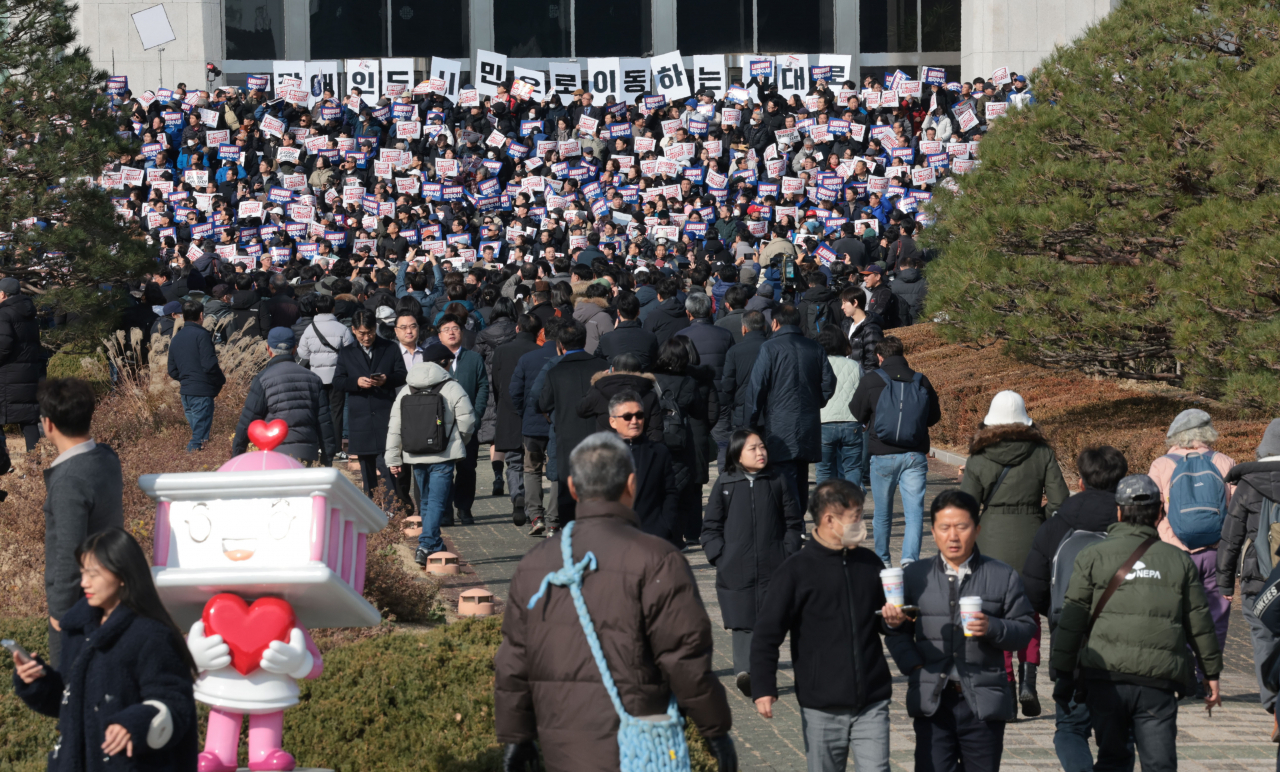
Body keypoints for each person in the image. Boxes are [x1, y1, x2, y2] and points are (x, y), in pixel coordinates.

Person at [494, 432, 737, 772]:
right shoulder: (658, 559)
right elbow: (684, 657)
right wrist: (715, 730)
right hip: (639, 741)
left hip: (561, 743)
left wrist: (516, 737)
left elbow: (512, 662)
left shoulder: (536, 564)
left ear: (573, 488)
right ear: (632, 484)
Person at [1050, 474, 1223, 772]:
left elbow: (1072, 619)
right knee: (1160, 763)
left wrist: (1064, 673)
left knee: (1113, 759)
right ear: (1160, 512)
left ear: (1118, 511)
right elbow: (1199, 622)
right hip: (1158, 683)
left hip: (1105, 679)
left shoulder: (1091, 556)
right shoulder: (1178, 561)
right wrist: (1211, 673)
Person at [13, 528, 199, 770]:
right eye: (82, 573)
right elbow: (71, 702)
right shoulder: (77, 629)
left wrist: (135, 723)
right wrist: (37, 681)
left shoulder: (152, 635)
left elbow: (176, 703)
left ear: (122, 574)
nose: (84, 582)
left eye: (93, 574)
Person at [884, 490, 1037, 772]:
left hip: (984, 702)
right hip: (933, 699)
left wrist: (993, 627)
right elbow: (896, 633)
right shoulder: (916, 576)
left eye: (962, 527)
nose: (953, 536)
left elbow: (1026, 629)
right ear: (933, 531)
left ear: (977, 529)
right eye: (944, 527)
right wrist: (913, 664)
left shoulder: (1002, 575)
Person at [751, 479, 894, 772]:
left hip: (872, 698)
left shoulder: (870, 563)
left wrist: (897, 621)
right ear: (830, 519)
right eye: (856, 517)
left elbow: (887, 623)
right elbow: (767, 634)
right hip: (821, 704)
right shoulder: (796, 571)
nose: (861, 524)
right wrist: (763, 687)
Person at [959, 389, 1069, 715]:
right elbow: (1061, 502)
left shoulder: (979, 458)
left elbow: (965, 507)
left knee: (998, 614)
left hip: (990, 539)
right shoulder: (1041, 453)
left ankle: (1006, 686)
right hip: (1033, 540)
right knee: (1030, 611)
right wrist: (1042, 523)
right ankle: (1028, 679)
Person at [1021, 445, 1130, 772]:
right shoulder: (1132, 526)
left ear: (1080, 481)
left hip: (1072, 640)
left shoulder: (1056, 525)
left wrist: (1057, 612)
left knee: (1070, 727)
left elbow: (1033, 586)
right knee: (1119, 735)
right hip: (1124, 645)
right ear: (1121, 481)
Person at [701, 428, 802, 697]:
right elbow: (710, 527)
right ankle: (745, 673)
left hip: (773, 564)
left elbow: (794, 523)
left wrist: (788, 553)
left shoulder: (778, 480)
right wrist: (720, 555)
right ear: (737, 455)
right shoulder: (725, 484)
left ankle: (760, 673)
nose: (760, 452)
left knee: (769, 623)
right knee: (742, 621)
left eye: (762, 447)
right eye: (752, 449)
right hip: (736, 566)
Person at [37, 378, 125, 667]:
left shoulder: (68, 481)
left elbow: (68, 553)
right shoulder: (106, 458)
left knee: (73, 686)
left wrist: (61, 612)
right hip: (109, 588)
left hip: (79, 603)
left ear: (48, 424)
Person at [1147, 408, 1235, 676]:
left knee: (1174, 612)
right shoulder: (1225, 462)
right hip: (1215, 553)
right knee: (1216, 615)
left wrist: (1166, 536)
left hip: (1173, 552)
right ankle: (1206, 675)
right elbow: (1235, 512)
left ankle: (1181, 671)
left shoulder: (1161, 465)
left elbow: (1152, 511)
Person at [850, 336, 941, 566]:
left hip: (882, 454)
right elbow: (933, 417)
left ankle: (883, 561)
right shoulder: (921, 381)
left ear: (880, 356)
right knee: (914, 514)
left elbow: (856, 412)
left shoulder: (872, 380)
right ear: (902, 353)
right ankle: (910, 562)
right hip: (914, 455)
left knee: (882, 514)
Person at [385, 343, 476, 566]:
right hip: (443, 455)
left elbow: (395, 427)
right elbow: (468, 421)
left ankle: (433, 543)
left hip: (415, 454)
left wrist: (393, 459)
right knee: (436, 500)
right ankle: (426, 544)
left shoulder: (407, 389)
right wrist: (455, 443)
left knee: (425, 500)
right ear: (446, 363)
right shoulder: (452, 387)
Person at [744, 304, 837, 512]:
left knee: (784, 474)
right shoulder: (815, 348)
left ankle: (792, 523)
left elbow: (757, 388)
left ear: (775, 323)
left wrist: (749, 423)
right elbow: (829, 383)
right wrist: (816, 402)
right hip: (807, 420)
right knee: (800, 473)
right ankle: (798, 520)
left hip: (779, 422)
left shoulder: (769, 348)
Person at [1217, 418, 1280, 719]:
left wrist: (1225, 583)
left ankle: (1271, 702)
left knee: (1263, 635)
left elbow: (1231, 538)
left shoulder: (1247, 484)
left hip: (1259, 577)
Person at [536, 319, 609, 530]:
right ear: (584, 340)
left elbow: (542, 402)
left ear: (561, 345)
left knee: (568, 491)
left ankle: (570, 535)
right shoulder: (602, 366)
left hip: (567, 436)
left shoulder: (555, 371)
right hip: (599, 434)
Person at [333, 309, 408, 505]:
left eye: (371, 332)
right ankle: (371, 507)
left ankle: (393, 508)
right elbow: (338, 382)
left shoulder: (390, 348)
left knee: (388, 464)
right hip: (361, 418)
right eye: (362, 333)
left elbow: (402, 374)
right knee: (367, 469)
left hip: (384, 413)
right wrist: (356, 382)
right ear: (353, 330)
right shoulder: (347, 353)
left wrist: (386, 379)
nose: (367, 337)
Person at [232, 327, 338, 464]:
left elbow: (247, 421)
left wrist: (236, 456)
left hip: (275, 454)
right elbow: (324, 422)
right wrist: (327, 458)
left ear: (268, 349)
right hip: (306, 454)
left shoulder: (263, 379)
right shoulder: (314, 379)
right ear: (295, 349)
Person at [603, 390, 680, 545]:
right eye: (627, 416)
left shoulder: (659, 452)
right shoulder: (599, 454)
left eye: (639, 415)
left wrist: (665, 527)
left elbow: (669, 493)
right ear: (613, 421)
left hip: (651, 536)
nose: (634, 421)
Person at [511, 316, 561, 536]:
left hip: (532, 424)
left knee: (531, 469)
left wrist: (525, 413)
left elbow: (515, 392)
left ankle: (536, 516)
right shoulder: (564, 360)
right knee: (557, 470)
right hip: (559, 424)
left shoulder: (528, 359)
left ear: (543, 333)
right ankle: (554, 519)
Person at [437, 312, 489, 525]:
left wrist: (475, 415)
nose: (451, 332)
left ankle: (464, 507)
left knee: (467, 468)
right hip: (441, 425)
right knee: (444, 469)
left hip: (468, 425)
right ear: (439, 335)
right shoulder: (434, 358)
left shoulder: (474, 358)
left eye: (455, 328)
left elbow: (483, 387)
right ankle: (446, 510)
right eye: (446, 329)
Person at [491, 314, 543, 523]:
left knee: (513, 460)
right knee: (533, 461)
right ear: (539, 331)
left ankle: (517, 495)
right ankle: (532, 507)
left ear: (517, 328)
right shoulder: (540, 352)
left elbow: (495, 381)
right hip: (536, 411)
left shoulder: (502, 350)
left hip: (508, 408)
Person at [297, 293, 355, 459]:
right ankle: (337, 448)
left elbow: (303, 353)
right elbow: (349, 352)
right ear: (332, 308)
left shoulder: (309, 329)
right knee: (336, 412)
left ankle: (320, 446)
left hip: (316, 377)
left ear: (316, 309)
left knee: (319, 412)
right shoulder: (342, 329)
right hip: (338, 377)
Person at [166, 299, 225, 452]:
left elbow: (172, 370)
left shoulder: (176, 338)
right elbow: (209, 364)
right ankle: (190, 464)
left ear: (183, 317)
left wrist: (187, 378)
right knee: (198, 439)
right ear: (201, 315)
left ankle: (197, 463)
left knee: (200, 434)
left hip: (186, 392)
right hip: (201, 391)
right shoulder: (202, 335)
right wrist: (219, 381)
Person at [0, 276, 46, 451]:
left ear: (3, 294)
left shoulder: (3, 314)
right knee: (28, 420)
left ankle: (2, 461)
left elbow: (3, 345)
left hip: (7, 375)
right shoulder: (30, 314)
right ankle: (34, 464)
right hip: (27, 372)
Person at [816, 328, 864, 489]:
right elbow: (861, 394)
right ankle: (851, 506)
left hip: (824, 422)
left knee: (824, 470)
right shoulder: (854, 365)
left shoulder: (817, 365)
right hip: (851, 422)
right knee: (853, 468)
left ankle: (825, 508)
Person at [595, 290, 659, 369]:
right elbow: (655, 361)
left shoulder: (606, 338)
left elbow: (597, 360)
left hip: (615, 379)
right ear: (638, 312)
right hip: (642, 378)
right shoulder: (650, 337)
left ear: (618, 313)